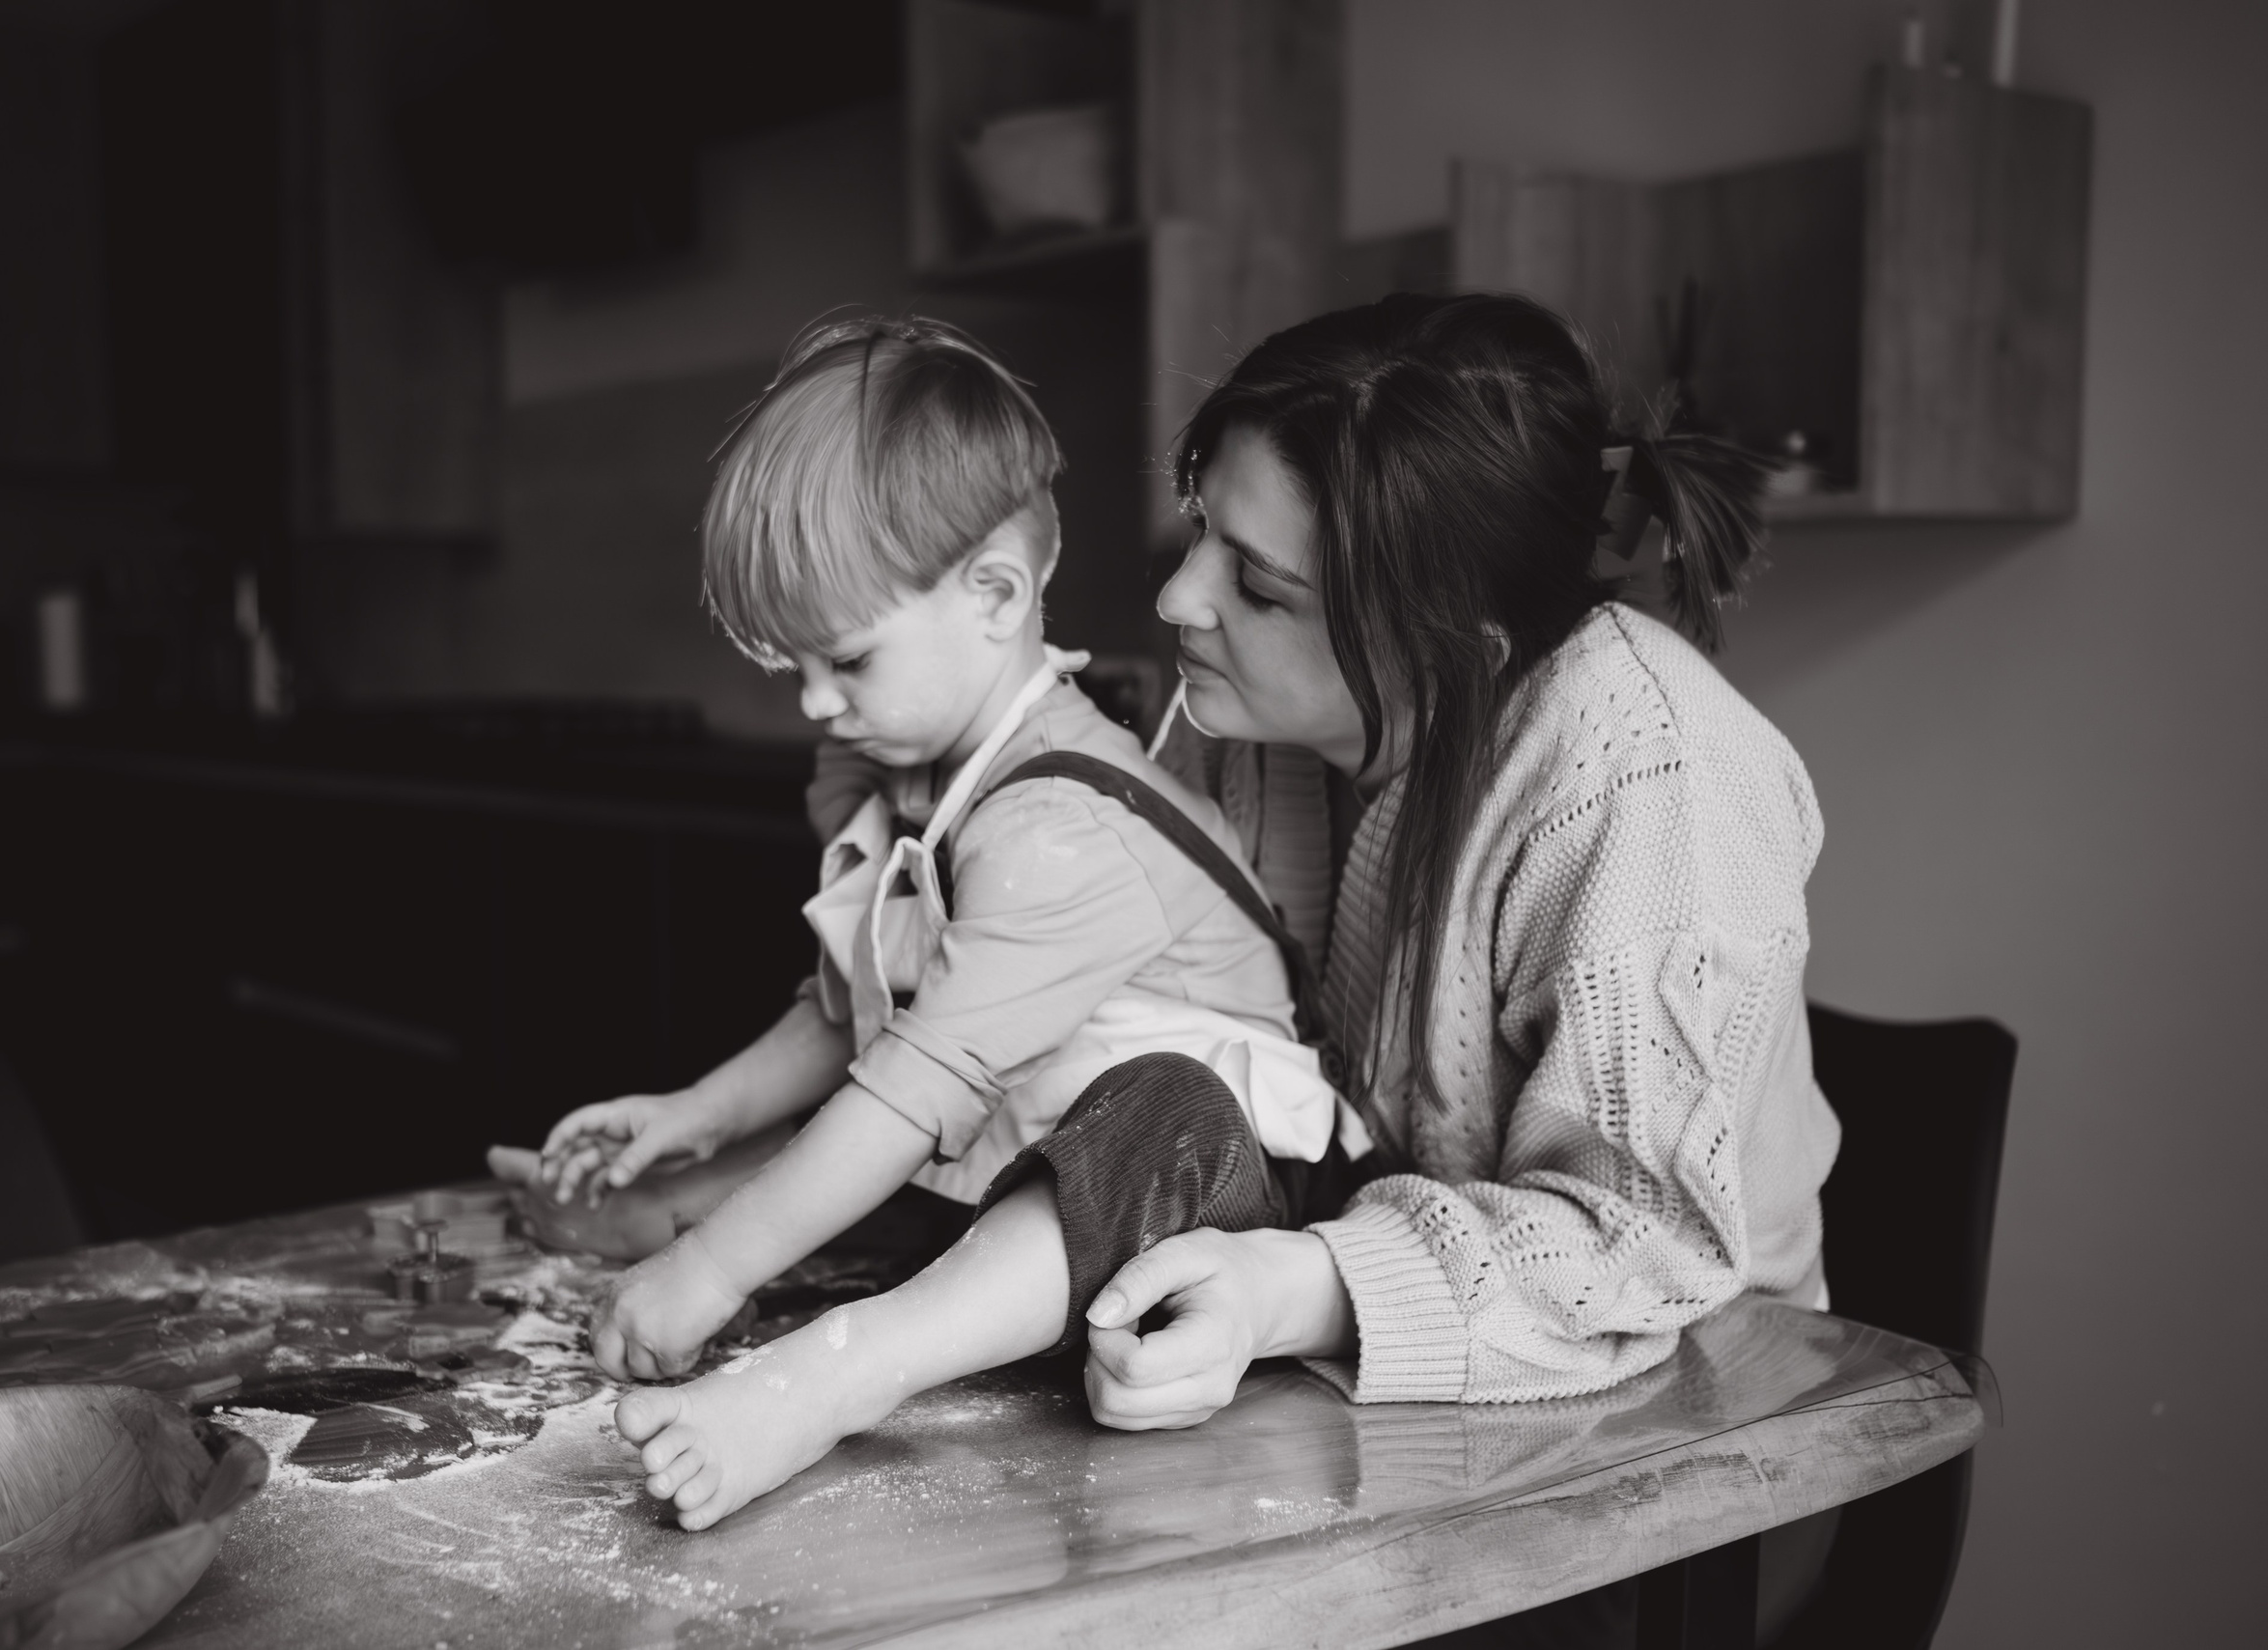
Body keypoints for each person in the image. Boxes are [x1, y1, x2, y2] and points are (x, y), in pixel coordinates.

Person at [627, 290, 1840, 1549]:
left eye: (1255, 585)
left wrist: (1287, 1289)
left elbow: (1636, 1253)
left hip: (1679, 1466)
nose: (1176, 599)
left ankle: (839, 1371)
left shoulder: (1652, 784)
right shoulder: (1247, 726)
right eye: (1203, 527)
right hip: (1354, 1394)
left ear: (1448, 652)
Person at [536, 316, 1358, 1527]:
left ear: (993, 594)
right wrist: (694, 1113)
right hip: (1013, 1178)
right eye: (792, 667)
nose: (817, 701)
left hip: (1214, 1191)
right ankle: (676, 1208)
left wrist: (712, 1267)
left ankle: (828, 1376)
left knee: (1154, 1112)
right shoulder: (896, 774)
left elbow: (909, 1084)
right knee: (789, 1163)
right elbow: (850, 1011)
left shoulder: (1063, 824)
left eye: (848, 661)